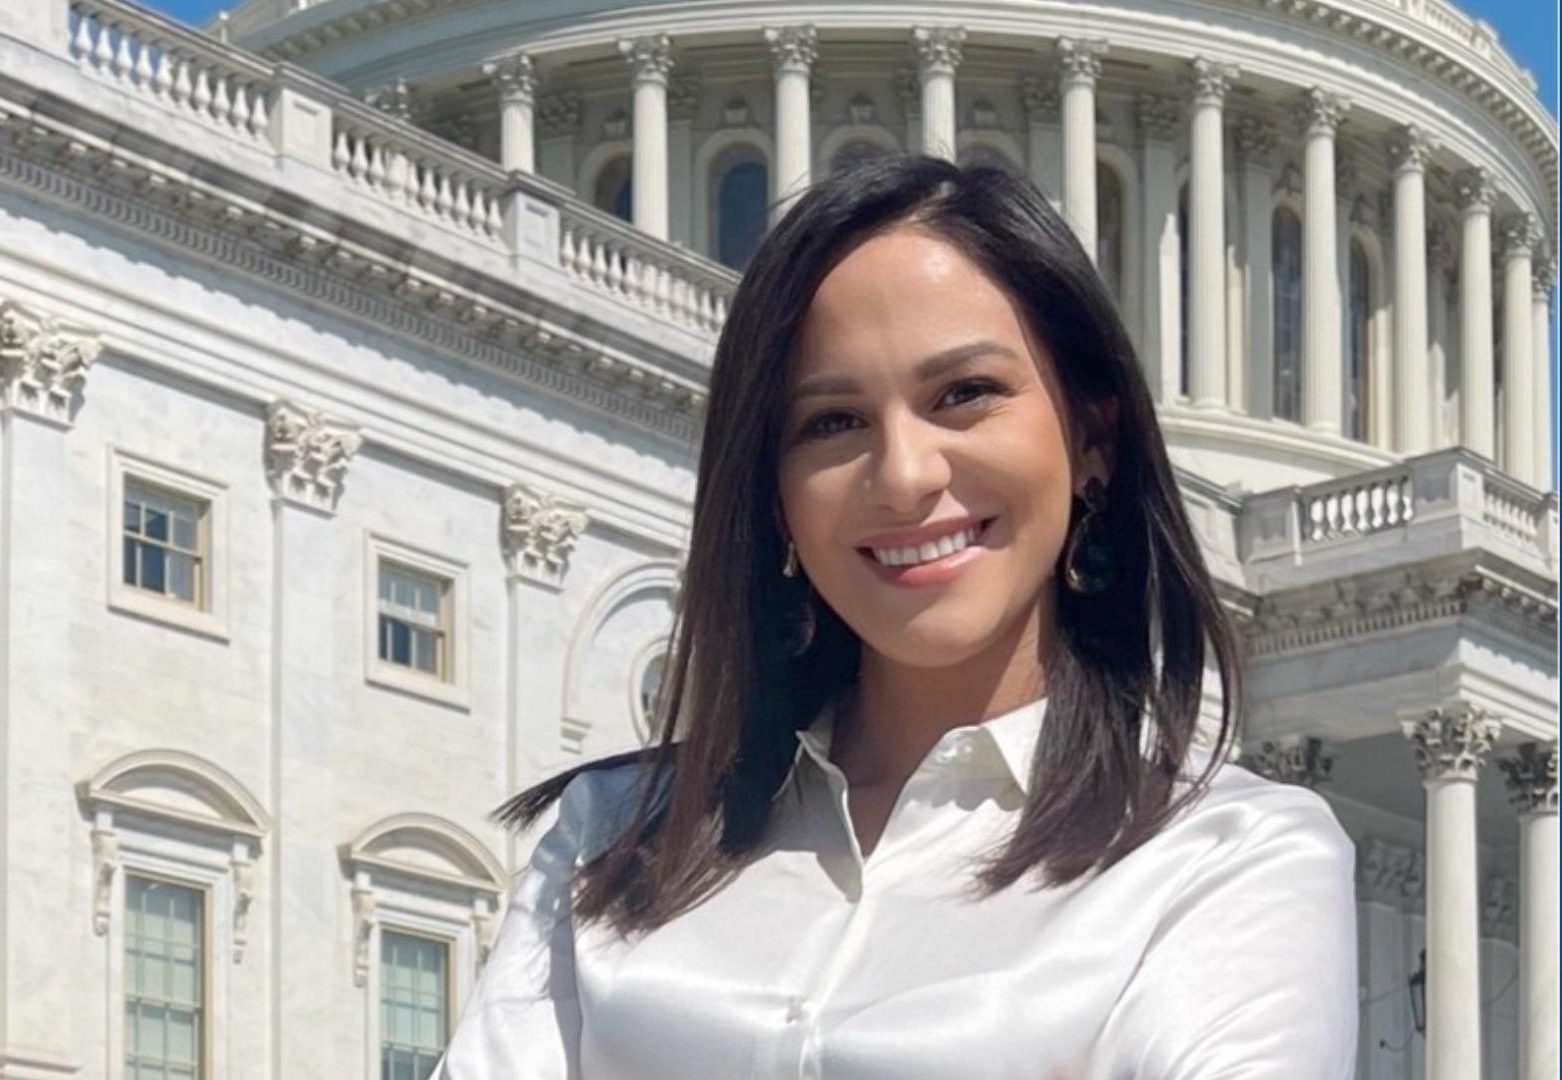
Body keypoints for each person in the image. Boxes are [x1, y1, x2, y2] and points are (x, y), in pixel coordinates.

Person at [429, 155, 1358, 1079]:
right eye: (833, 423)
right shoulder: (615, 833)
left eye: (964, 395)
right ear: (775, 493)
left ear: (1091, 440)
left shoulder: (1227, 855)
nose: (906, 475)